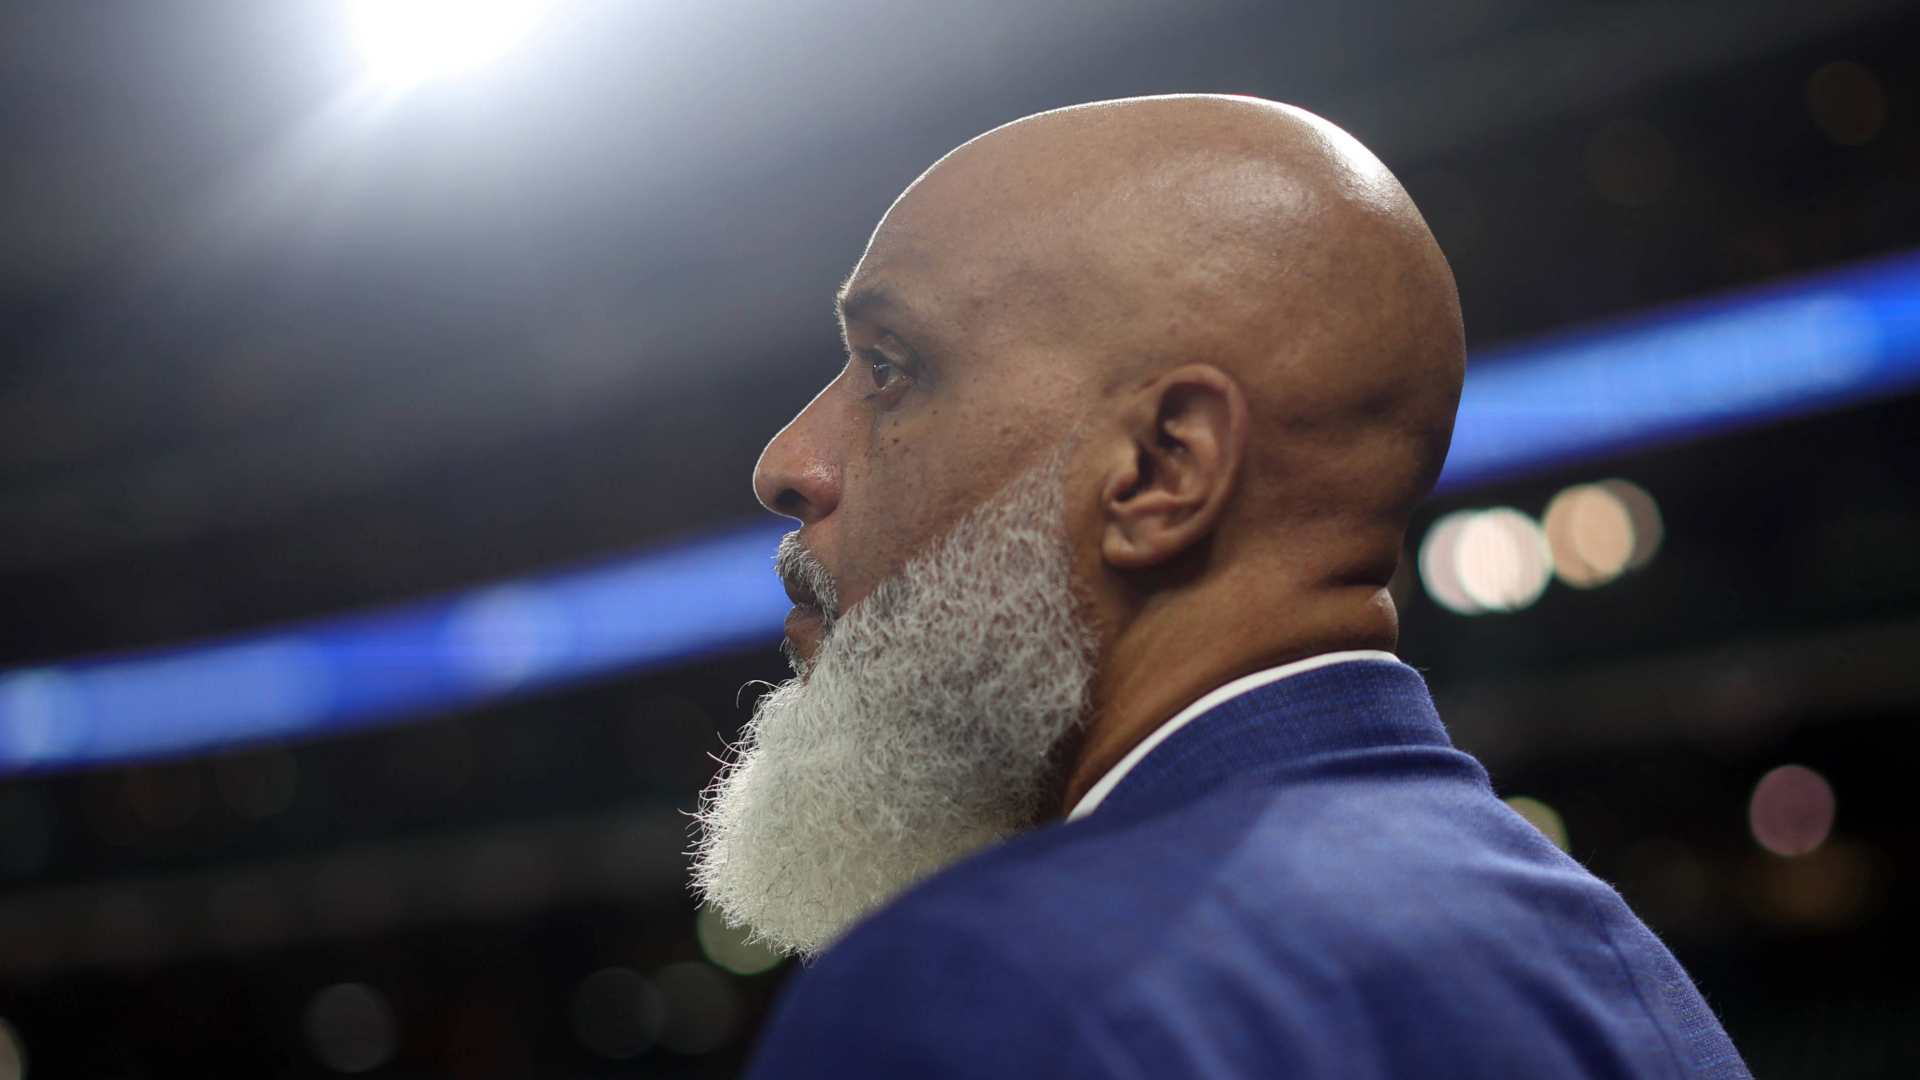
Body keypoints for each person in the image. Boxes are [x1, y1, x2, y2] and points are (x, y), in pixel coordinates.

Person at [693, 94, 1749, 1078]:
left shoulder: (973, 989)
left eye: (889, 368)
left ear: (1164, 470)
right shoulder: (1628, 982)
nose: (787, 463)